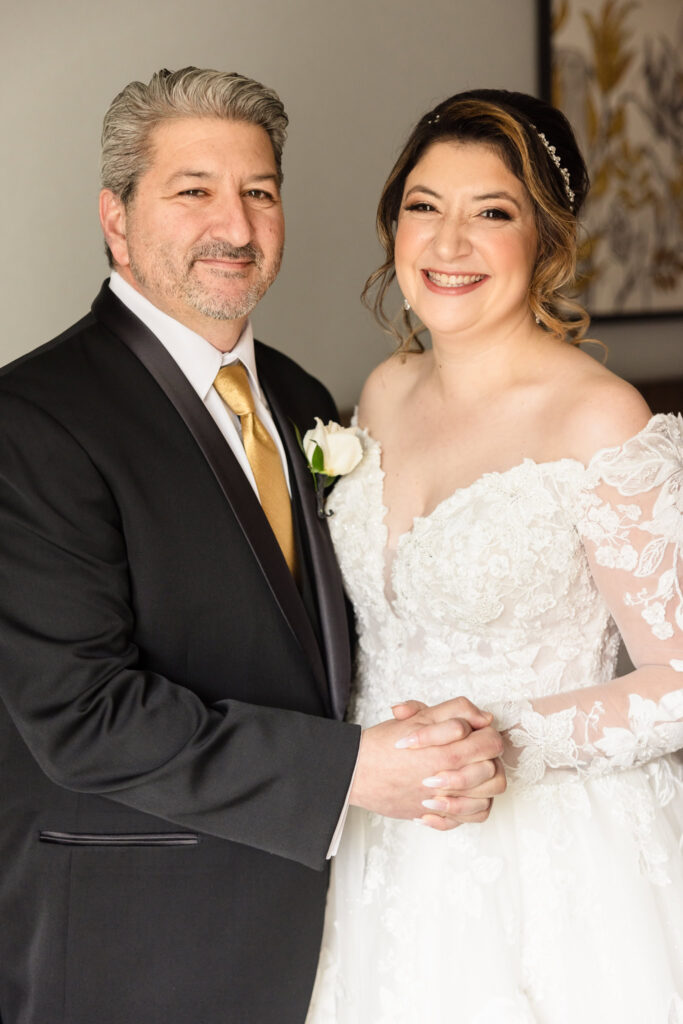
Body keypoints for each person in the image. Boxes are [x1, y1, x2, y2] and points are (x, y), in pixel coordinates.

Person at [0, 68, 507, 1024]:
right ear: (116, 217)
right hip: (133, 937)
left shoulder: (303, 397)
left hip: (330, 921)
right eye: (193, 191)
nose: (234, 226)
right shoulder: (30, 420)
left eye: (259, 192)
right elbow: (81, 715)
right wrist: (351, 768)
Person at [306, 89, 683, 1023]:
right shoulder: (383, 392)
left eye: (492, 213)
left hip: (552, 857)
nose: (448, 242)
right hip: (376, 839)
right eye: (424, 207)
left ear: (546, 243)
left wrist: (495, 741)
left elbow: (678, 676)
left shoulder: (598, 417)